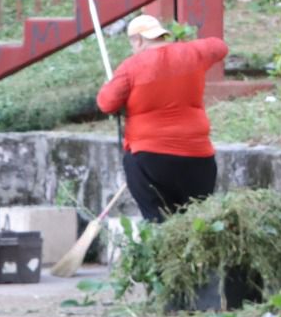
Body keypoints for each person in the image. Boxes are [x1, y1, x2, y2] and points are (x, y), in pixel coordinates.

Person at [95, 15, 229, 222]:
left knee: (158, 222)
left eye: (132, 44)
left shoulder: (131, 67)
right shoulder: (193, 53)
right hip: (199, 157)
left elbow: (106, 103)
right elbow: (219, 47)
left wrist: (110, 85)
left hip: (150, 159)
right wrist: (189, 50)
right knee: (197, 224)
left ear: (138, 40)